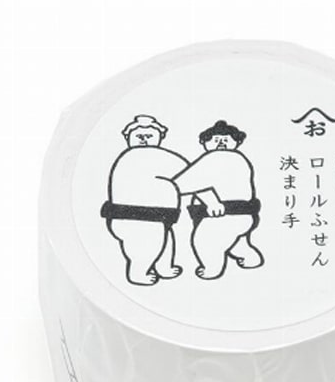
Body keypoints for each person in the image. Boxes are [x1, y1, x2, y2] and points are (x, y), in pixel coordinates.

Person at [100, 115, 188, 286]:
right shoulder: (144, 155)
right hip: (139, 217)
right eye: (139, 136)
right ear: (128, 138)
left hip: (148, 217)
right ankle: (138, 273)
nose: (144, 139)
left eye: (149, 136)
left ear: (159, 137)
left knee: (163, 240)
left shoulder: (135, 156)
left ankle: (164, 267)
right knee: (147, 246)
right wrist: (208, 197)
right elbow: (189, 174)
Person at [173, 120, 264, 280]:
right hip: (244, 214)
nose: (221, 142)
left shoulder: (216, 157)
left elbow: (185, 183)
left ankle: (212, 269)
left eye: (226, 139)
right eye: (216, 139)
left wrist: (166, 186)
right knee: (237, 243)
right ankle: (251, 258)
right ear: (205, 142)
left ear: (236, 142)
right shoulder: (239, 158)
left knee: (206, 242)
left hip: (221, 215)